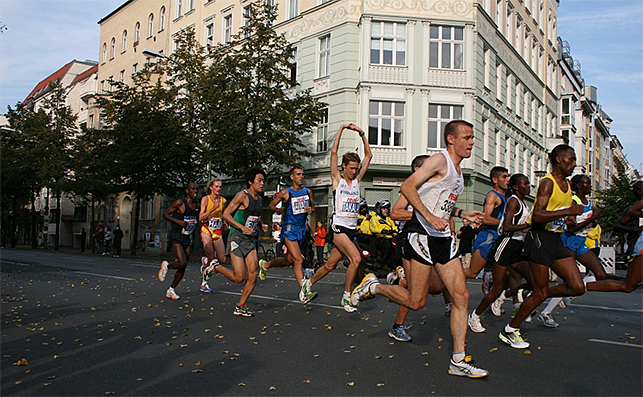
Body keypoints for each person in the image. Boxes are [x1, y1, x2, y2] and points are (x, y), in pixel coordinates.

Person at [350, 120, 489, 378]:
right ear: (451, 139)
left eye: (472, 138)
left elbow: (441, 204)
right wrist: (427, 216)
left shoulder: (458, 172)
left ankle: (458, 360)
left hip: (442, 238)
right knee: (417, 301)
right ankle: (374, 287)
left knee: (462, 297)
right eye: (468, 137)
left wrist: (462, 212)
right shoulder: (439, 160)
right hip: (422, 235)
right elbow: (407, 188)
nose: (472, 142)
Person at [498, 144, 586, 349]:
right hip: (539, 240)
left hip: (556, 240)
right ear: (559, 160)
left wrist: (570, 218)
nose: (574, 164)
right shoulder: (547, 183)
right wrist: (567, 211)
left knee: (577, 286)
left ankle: (535, 293)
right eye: (570, 159)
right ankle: (510, 330)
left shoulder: (567, 186)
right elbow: (537, 215)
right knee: (540, 293)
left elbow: (560, 212)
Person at [299, 123, 372, 313]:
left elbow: (369, 155)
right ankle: (347, 297)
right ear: (344, 166)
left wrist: (361, 133)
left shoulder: (357, 182)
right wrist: (341, 129)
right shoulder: (337, 180)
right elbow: (333, 152)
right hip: (338, 228)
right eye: (351, 168)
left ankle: (308, 282)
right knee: (356, 259)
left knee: (330, 265)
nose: (354, 171)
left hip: (350, 229)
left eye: (356, 168)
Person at [387, 154, 446, 342]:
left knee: (436, 287)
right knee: (415, 294)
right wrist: (423, 215)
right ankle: (397, 326)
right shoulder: (411, 187)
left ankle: (400, 280)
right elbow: (395, 213)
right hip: (410, 239)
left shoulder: (435, 189)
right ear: (418, 170)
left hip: (431, 239)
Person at [536, 174, 607, 328]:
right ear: (578, 186)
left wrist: (593, 220)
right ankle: (545, 311)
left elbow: (588, 225)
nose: (589, 186)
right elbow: (571, 227)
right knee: (569, 282)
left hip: (581, 243)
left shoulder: (587, 202)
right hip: (568, 241)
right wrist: (590, 219)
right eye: (586, 183)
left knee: (600, 275)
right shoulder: (573, 202)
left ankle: (571, 291)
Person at [468, 174, 532, 333]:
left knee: (532, 280)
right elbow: (507, 227)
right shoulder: (513, 201)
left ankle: (503, 297)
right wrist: (527, 226)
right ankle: (474, 316)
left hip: (517, 246)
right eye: (525, 183)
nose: (529, 186)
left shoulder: (524, 203)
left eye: (529, 183)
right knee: (494, 286)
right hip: (505, 245)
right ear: (516, 187)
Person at [203, 168, 269, 317]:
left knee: (253, 274)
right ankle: (216, 267)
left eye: (263, 180)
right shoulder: (242, 196)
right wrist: (242, 228)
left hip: (250, 240)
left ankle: (240, 306)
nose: (262, 183)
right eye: (259, 180)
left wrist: (261, 224)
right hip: (237, 238)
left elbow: (253, 216)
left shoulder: (259, 199)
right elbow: (226, 215)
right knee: (239, 278)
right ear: (250, 182)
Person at [258, 166, 317, 303]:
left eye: (302, 174)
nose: (301, 176)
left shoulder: (307, 192)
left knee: (288, 260)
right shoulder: (286, 192)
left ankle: (266, 265)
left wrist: (311, 210)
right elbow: (271, 205)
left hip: (302, 229)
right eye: (298, 174)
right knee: (298, 259)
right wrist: (277, 210)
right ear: (292, 177)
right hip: (289, 228)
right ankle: (304, 291)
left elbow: (313, 207)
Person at [584, 181, 642, 293]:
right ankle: (581, 285)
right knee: (628, 285)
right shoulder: (633, 209)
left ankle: (584, 284)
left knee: (628, 284)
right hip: (637, 246)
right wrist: (636, 228)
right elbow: (629, 213)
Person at [463, 167, 510, 294]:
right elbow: (485, 219)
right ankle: (445, 277)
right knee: (472, 272)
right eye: (504, 177)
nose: (508, 180)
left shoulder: (506, 197)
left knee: (509, 271)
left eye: (508, 176)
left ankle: (491, 285)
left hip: (500, 238)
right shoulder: (492, 196)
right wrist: (506, 224)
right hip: (488, 238)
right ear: (495, 180)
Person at [157, 182, 200, 300]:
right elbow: (165, 215)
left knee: (183, 266)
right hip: (176, 235)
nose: (195, 191)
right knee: (182, 262)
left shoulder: (197, 205)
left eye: (197, 189)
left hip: (187, 236)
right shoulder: (180, 203)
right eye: (192, 189)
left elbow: (196, 220)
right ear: (187, 191)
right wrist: (178, 221)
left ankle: (171, 290)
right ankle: (167, 265)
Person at [198, 178, 228, 294]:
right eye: (216, 186)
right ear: (211, 187)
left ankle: (205, 262)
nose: (219, 189)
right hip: (207, 230)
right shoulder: (206, 199)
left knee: (222, 259)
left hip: (217, 231)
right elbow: (200, 217)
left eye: (220, 187)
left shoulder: (223, 200)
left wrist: (224, 222)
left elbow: (222, 214)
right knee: (212, 258)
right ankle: (204, 283)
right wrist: (212, 209)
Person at [369, 199, 398, 266]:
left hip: (390, 238)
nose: (386, 210)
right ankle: (383, 264)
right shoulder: (375, 218)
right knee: (387, 245)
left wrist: (395, 232)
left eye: (387, 208)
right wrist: (383, 231)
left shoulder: (389, 219)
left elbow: (395, 228)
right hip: (380, 238)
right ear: (379, 209)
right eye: (384, 208)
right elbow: (373, 228)